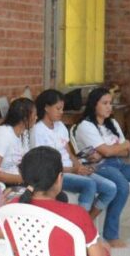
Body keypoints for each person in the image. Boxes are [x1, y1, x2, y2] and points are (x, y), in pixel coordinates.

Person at [74, 87, 130, 248]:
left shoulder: (113, 123)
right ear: (94, 105)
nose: (109, 107)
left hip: (118, 163)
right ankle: (111, 234)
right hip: (99, 166)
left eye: (110, 103)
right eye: (105, 103)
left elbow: (126, 150)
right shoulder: (85, 126)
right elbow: (109, 150)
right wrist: (113, 149)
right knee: (121, 186)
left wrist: (111, 150)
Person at [31, 89, 116, 219]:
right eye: (58, 109)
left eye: (62, 109)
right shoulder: (38, 131)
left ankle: (86, 220)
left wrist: (79, 166)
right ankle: (80, 225)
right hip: (55, 175)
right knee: (89, 184)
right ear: (46, 108)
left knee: (110, 188)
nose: (61, 112)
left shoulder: (60, 126)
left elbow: (69, 153)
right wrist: (73, 169)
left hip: (72, 169)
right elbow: (45, 166)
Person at [0, 98, 35, 187]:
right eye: (34, 115)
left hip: (13, 183)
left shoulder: (23, 134)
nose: (36, 118)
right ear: (25, 118)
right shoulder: (2, 135)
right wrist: (23, 179)